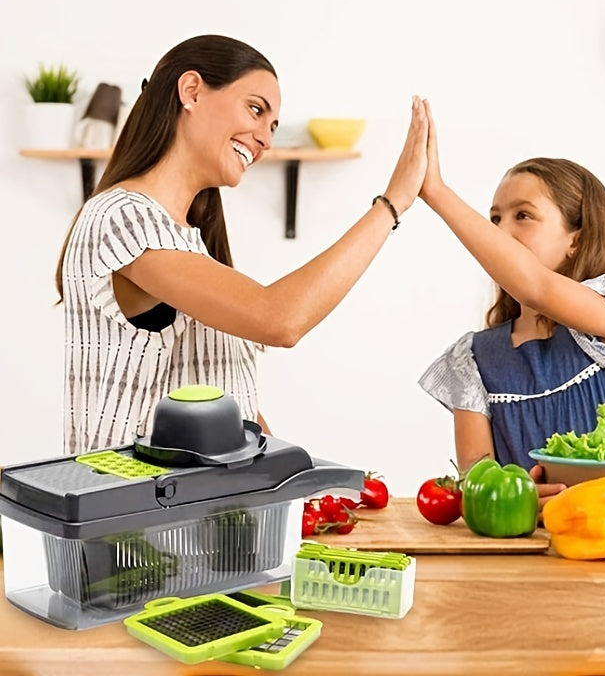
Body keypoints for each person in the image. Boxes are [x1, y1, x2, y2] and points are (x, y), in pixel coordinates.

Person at [56, 34, 428, 456]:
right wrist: (392, 204)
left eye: (272, 126)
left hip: (198, 513)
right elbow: (281, 319)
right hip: (133, 514)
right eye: (255, 109)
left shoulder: (188, 241)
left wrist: (291, 475)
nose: (265, 139)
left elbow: (234, 405)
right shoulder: (122, 217)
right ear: (191, 91)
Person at [417, 105, 605, 510]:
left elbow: (535, 286)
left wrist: (436, 191)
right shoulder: (473, 360)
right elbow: (475, 484)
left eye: (523, 216)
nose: (500, 232)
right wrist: (513, 499)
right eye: (494, 218)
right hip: (527, 556)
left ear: (576, 238)